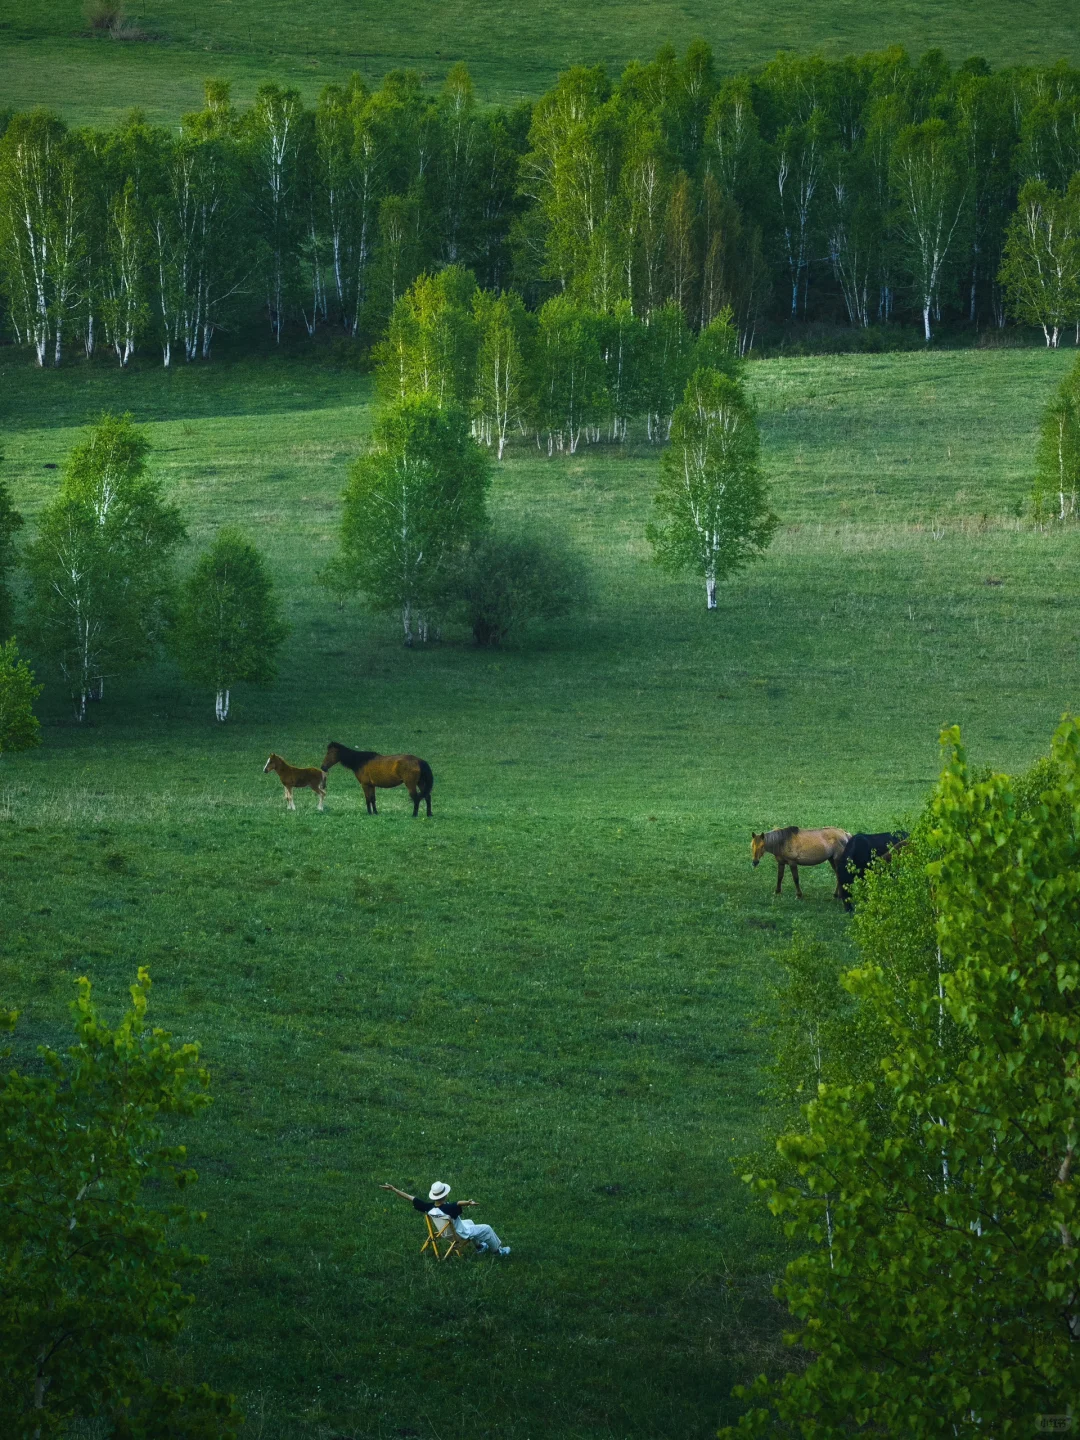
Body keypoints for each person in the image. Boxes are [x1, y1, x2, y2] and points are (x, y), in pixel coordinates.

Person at [381, 1180, 511, 1255]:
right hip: (458, 1235)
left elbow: (411, 1198)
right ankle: (497, 1251)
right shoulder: (449, 1208)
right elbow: (458, 1203)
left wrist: (394, 1189)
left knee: (470, 1222)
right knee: (486, 1228)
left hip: (444, 1234)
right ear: (445, 1195)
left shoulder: (429, 1207)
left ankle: (480, 1247)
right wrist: (469, 1203)